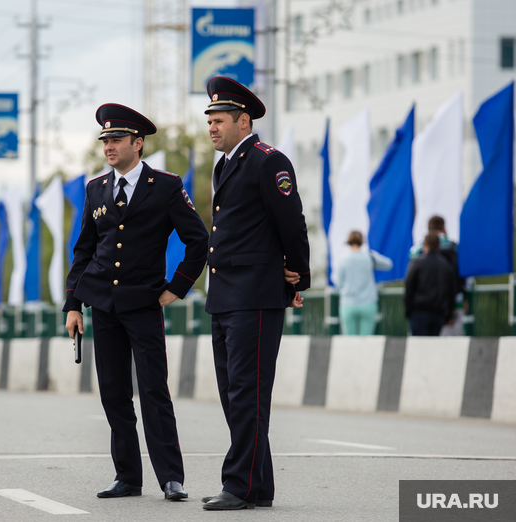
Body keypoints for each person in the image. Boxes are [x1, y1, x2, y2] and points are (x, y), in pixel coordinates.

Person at [63, 103, 209, 501]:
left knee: (153, 391)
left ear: (137, 143)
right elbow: (84, 249)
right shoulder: (96, 188)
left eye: (115, 140)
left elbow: (198, 240)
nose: (108, 146)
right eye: (105, 140)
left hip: (144, 304)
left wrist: (176, 288)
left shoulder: (164, 185)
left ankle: (171, 478)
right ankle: (127, 476)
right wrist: (73, 305)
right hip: (102, 304)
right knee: (113, 393)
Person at [200, 77, 310, 511]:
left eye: (219, 120)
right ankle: (258, 484)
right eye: (209, 120)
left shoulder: (268, 161)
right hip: (225, 295)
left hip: (255, 296)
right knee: (233, 393)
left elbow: (291, 222)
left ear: (243, 121)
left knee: (248, 391)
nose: (212, 127)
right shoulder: (227, 163)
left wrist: (298, 276)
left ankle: (239, 485)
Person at [409, 215, 466, 335]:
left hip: (420, 309)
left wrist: (409, 309)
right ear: (443, 227)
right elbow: (462, 276)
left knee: (420, 348)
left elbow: (410, 281)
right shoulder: (454, 248)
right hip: (447, 306)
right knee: (450, 347)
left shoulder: (416, 250)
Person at [336, 231, 393, 335]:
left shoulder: (342, 259)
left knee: (349, 340)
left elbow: (339, 283)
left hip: (348, 304)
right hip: (368, 303)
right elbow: (388, 264)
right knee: (366, 341)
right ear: (362, 241)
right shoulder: (369, 257)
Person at [405, 233, 457, 336]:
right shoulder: (446, 265)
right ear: (438, 245)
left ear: (425, 245)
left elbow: (409, 287)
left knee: (419, 346)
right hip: (438, 313)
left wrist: (408, 310)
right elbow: (451, 291)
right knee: (433, 346)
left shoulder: (417, 263)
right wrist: (450, 313)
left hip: (419, 312)